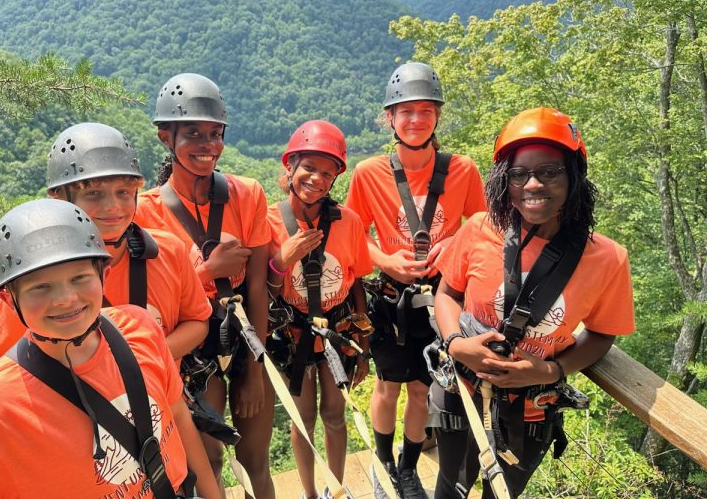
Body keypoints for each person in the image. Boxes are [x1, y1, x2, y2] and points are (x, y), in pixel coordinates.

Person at [0, 199, 218, 498]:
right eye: (40, 287)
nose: (65, 298)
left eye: (79, 277)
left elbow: (177, 414)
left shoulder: (140, 329)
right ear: (10, 300)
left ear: (103, 277)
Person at [431, 107, 635, 498]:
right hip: (462, 390)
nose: (533, 185)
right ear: (503, 181)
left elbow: (602, 334)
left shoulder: (607, 258)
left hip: (531, 410)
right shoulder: (479, 229)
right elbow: (447, 292)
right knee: (450, 486)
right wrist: (457, 344)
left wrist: (548, 370)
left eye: (550, 172)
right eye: (519, 174)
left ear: (573, 177)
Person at [346, 62, 486, 498]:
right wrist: (385, 259)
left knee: (424, 389)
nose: (415, 119)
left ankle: (407, 468)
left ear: (437, 117)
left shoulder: (462, 170)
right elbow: (353, 235)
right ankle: (383, 464)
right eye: (405, 111)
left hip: (441, 298)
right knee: (388, 386)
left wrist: (455, 241)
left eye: (425, 110)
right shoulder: (370, 173)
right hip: (390, 298)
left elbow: (481, 223)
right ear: (390, 118)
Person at [134, 73, 275, 498]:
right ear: (165, 137)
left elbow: (257, 287)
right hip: (194, 351)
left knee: (255, 462)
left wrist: (255, 371)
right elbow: (155, 298)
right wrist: (207, 272)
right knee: (208, 463)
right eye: (193, 133)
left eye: (215, 134)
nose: (207, 144)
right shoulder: (146, 213)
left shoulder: (246, 194)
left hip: (246, 337)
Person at [0, 122, 212, 369]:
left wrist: (141, 359)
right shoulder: (42, 272)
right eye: (94, 194)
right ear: (60, 197)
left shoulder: (168, 251)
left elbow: (197, 321)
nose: (112, 206)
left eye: (123, 192)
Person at [266, 120, 373, 499]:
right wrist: (283, 258)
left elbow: (357, 278)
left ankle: (336, 488)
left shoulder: (349, 222)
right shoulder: (269, 222)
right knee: (302, 417)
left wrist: (363, 338)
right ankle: (310, 493)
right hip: (294, 333)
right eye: (309, 168)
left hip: (338, 329)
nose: (317, 179)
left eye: (327, 173)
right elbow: (266, 290)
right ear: (290, 167)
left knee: (334, 413)